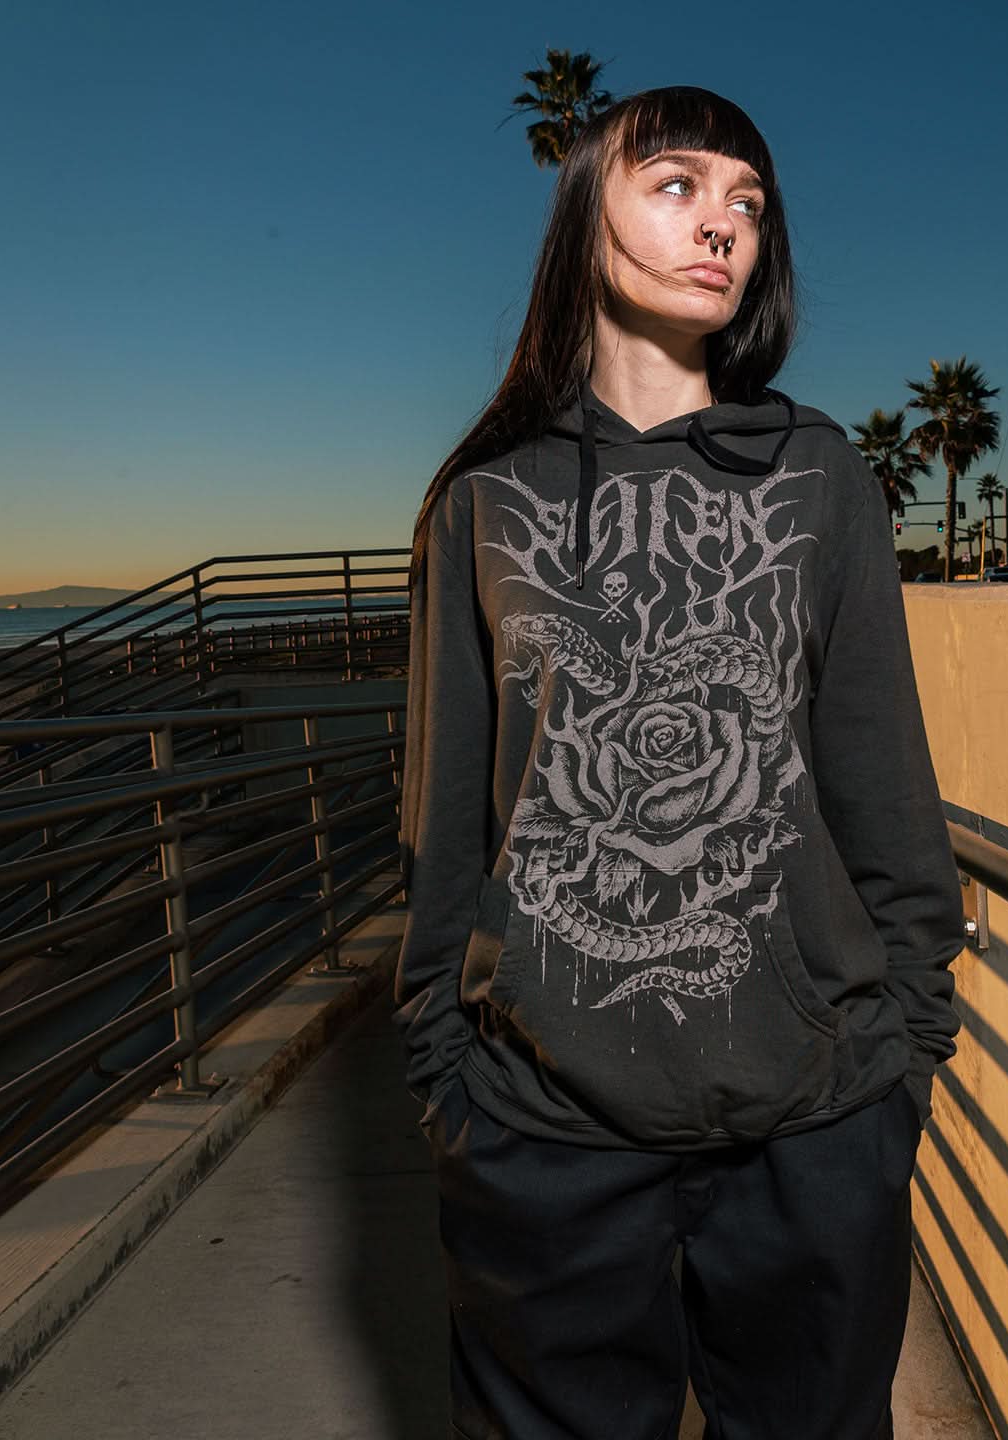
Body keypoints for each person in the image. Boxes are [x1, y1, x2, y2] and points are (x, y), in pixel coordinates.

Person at [393, 84, 966, 1440]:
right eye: (679, 186)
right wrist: (450, 1092)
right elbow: (441, 830)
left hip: (814, 1124)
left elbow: (882, 783)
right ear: (581, 220)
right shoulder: (484, 502)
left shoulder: (818, 474)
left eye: (748, 204)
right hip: (543, 1134)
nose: (724, 224)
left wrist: (903, 1057)